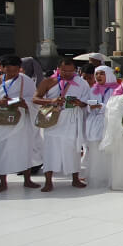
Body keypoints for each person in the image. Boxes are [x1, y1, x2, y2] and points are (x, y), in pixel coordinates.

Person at [0, 56, 41, 192]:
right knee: (2, 150)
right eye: (9, 71)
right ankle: (3, 182)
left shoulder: (25, 81)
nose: (12, 74)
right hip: (2, 121)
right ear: (1, 68)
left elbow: (33, 99)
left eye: (15, 71)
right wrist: (1, 102)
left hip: (21, 118)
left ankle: (27, 179)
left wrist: (23, 102)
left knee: (25, 148)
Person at [34, 57, 90, 192]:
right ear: (58, 69)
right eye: (64, 71)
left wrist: (79, 103)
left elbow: (87, 101)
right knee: (50, 150)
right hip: (53, 120)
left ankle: (75, 179)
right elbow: (35, 98)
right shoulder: (49, 82)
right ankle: (48, 181)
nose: (68, 74)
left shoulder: (81, 83)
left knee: (72, 150)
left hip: (71, 120)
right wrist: (51, 100)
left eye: (71, 71)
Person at [82, 65, 118, 189]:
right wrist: (90, 106)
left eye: (101, 73)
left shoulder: (116, 89)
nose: (98, 76)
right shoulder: (92, 90)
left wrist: (101, 106)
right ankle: (96, 177)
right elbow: (86, 104)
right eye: (97, 74)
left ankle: (109, 177)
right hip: (94, 122)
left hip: (109, 121)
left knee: (108, 151)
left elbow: (117, 106)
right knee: (95, 151)